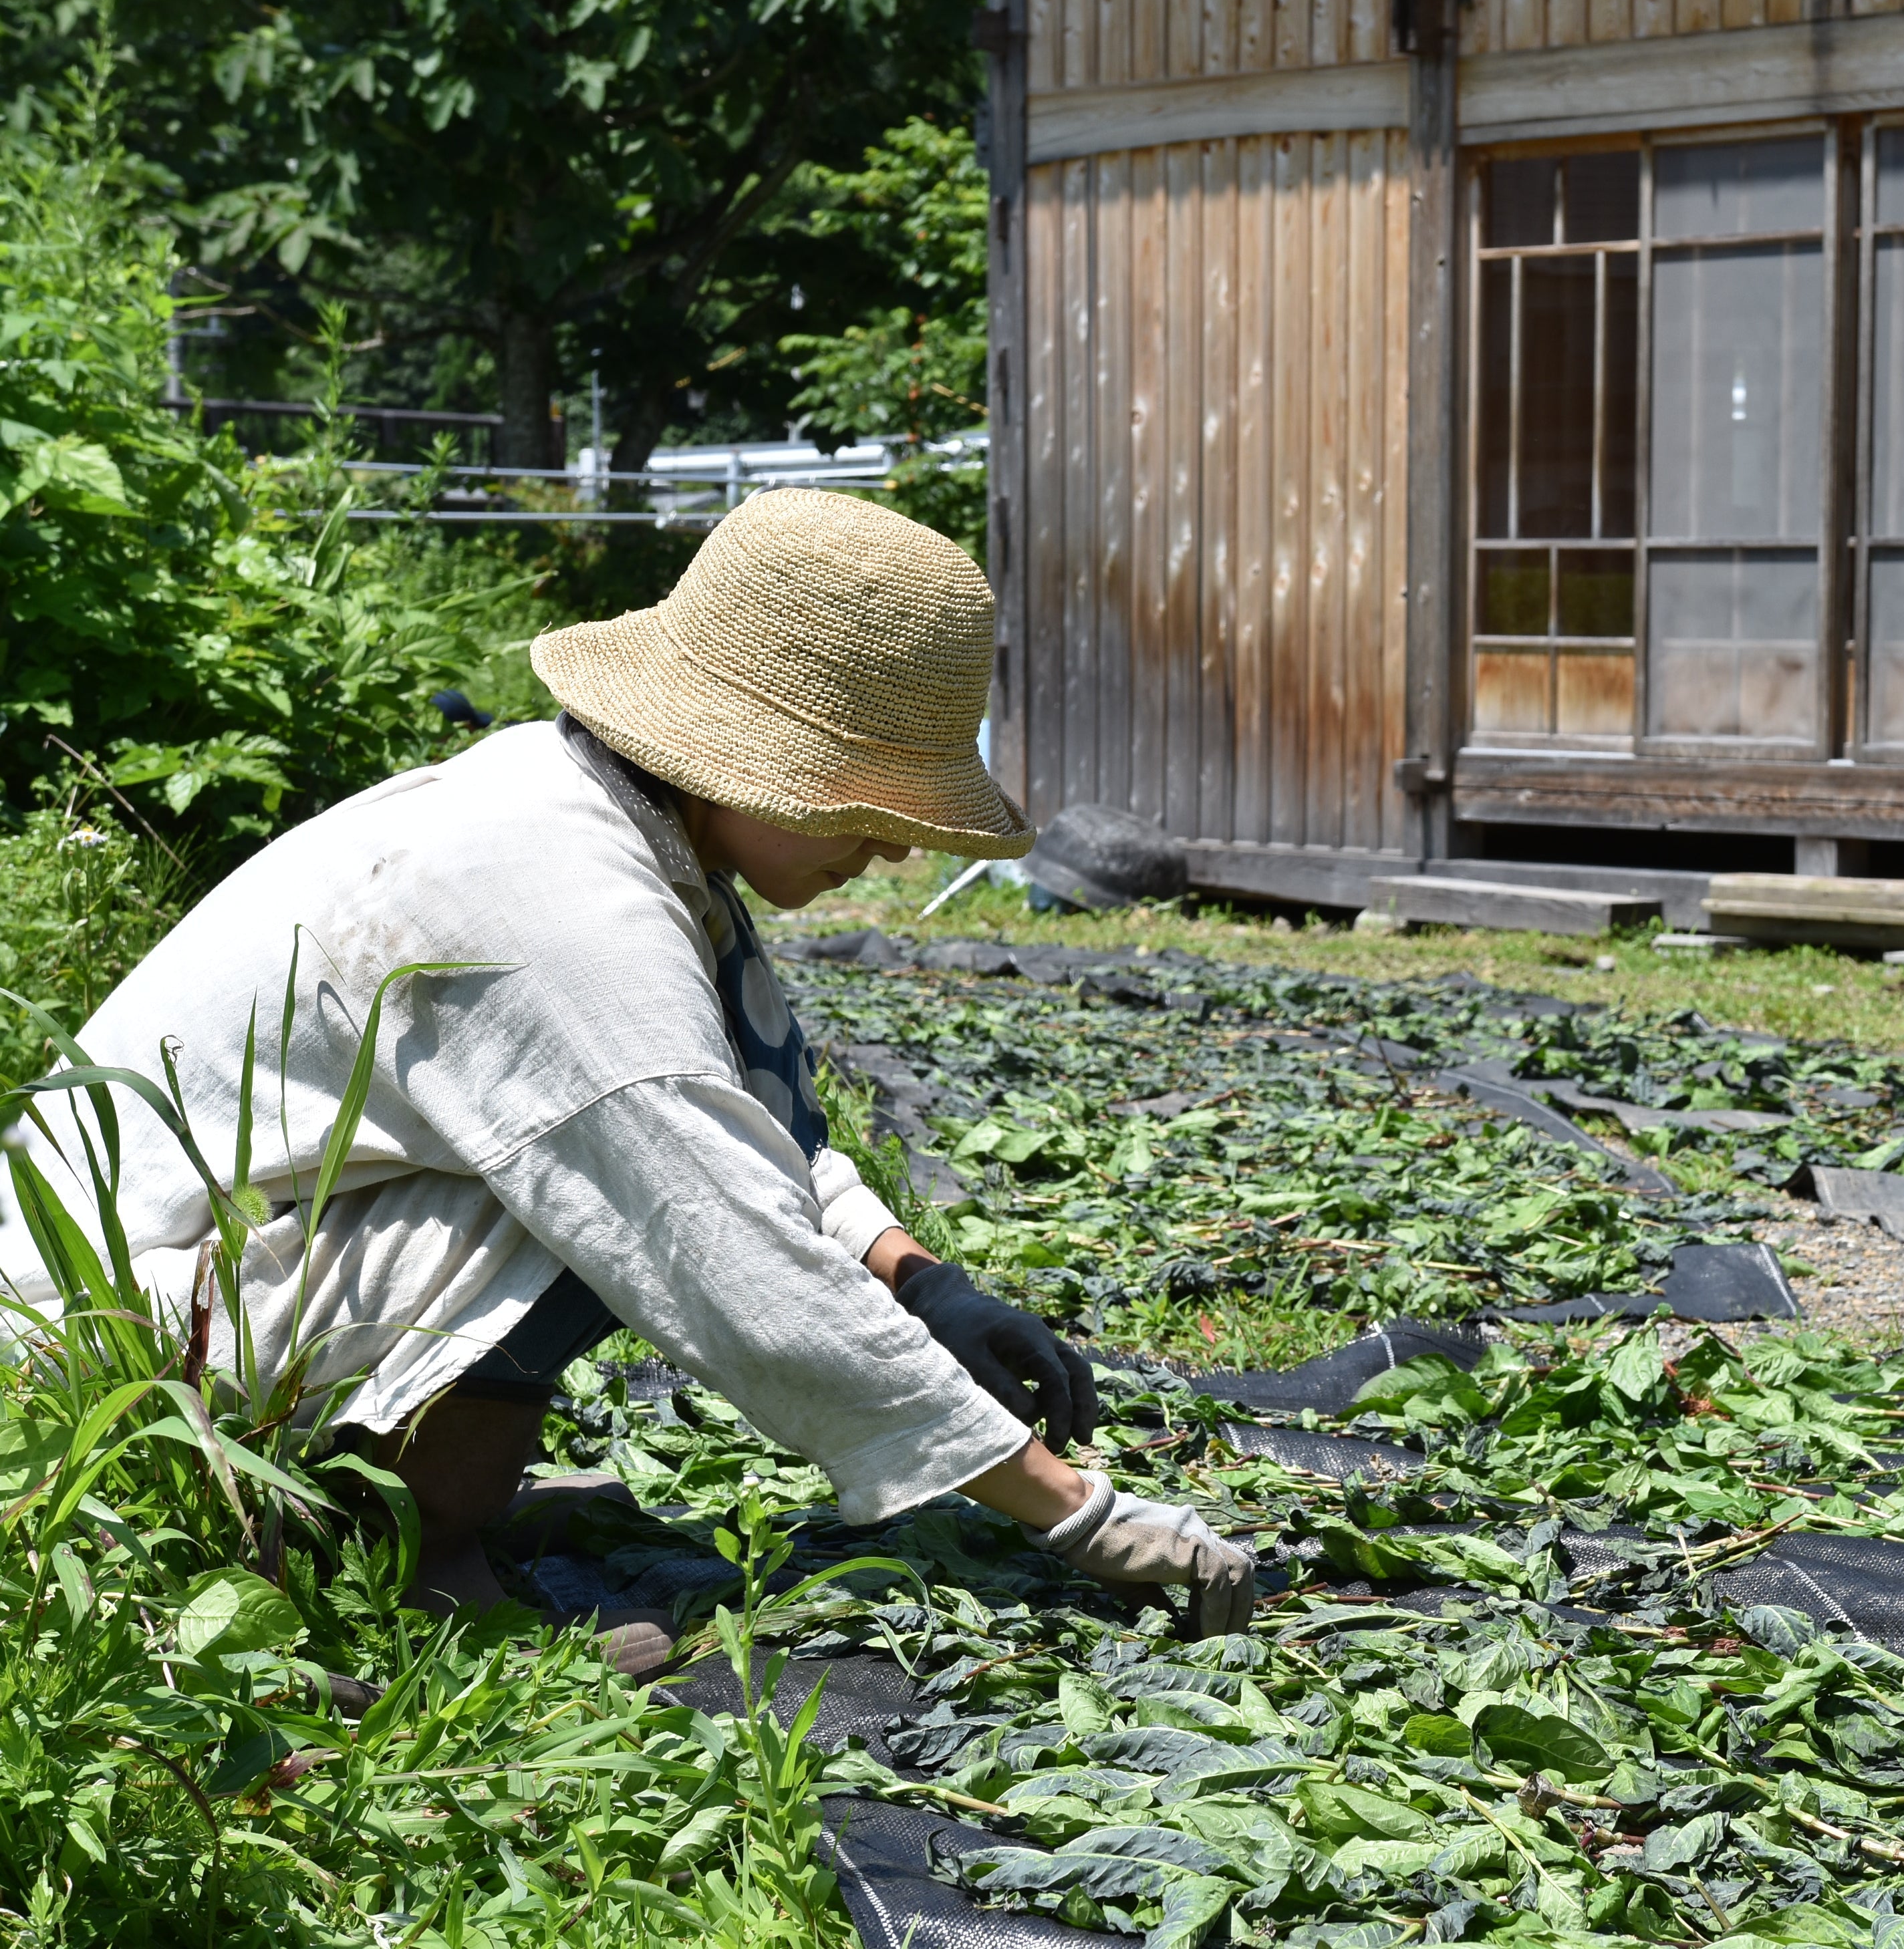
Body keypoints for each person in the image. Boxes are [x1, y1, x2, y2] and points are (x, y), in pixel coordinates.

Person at [0, 488, 1253, 1650]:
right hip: (94, 1355)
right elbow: (730, 1245)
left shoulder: (614, 820)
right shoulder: (554, 898)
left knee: (621, 1156)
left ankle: (354, 1494)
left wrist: (921, 1283)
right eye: (862, 807)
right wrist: (1075, 1511)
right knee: (600, 1192)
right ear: (745, 759)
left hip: (213, 1287)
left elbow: (763, 1116)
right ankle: (419, 1567)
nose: (884, 850)